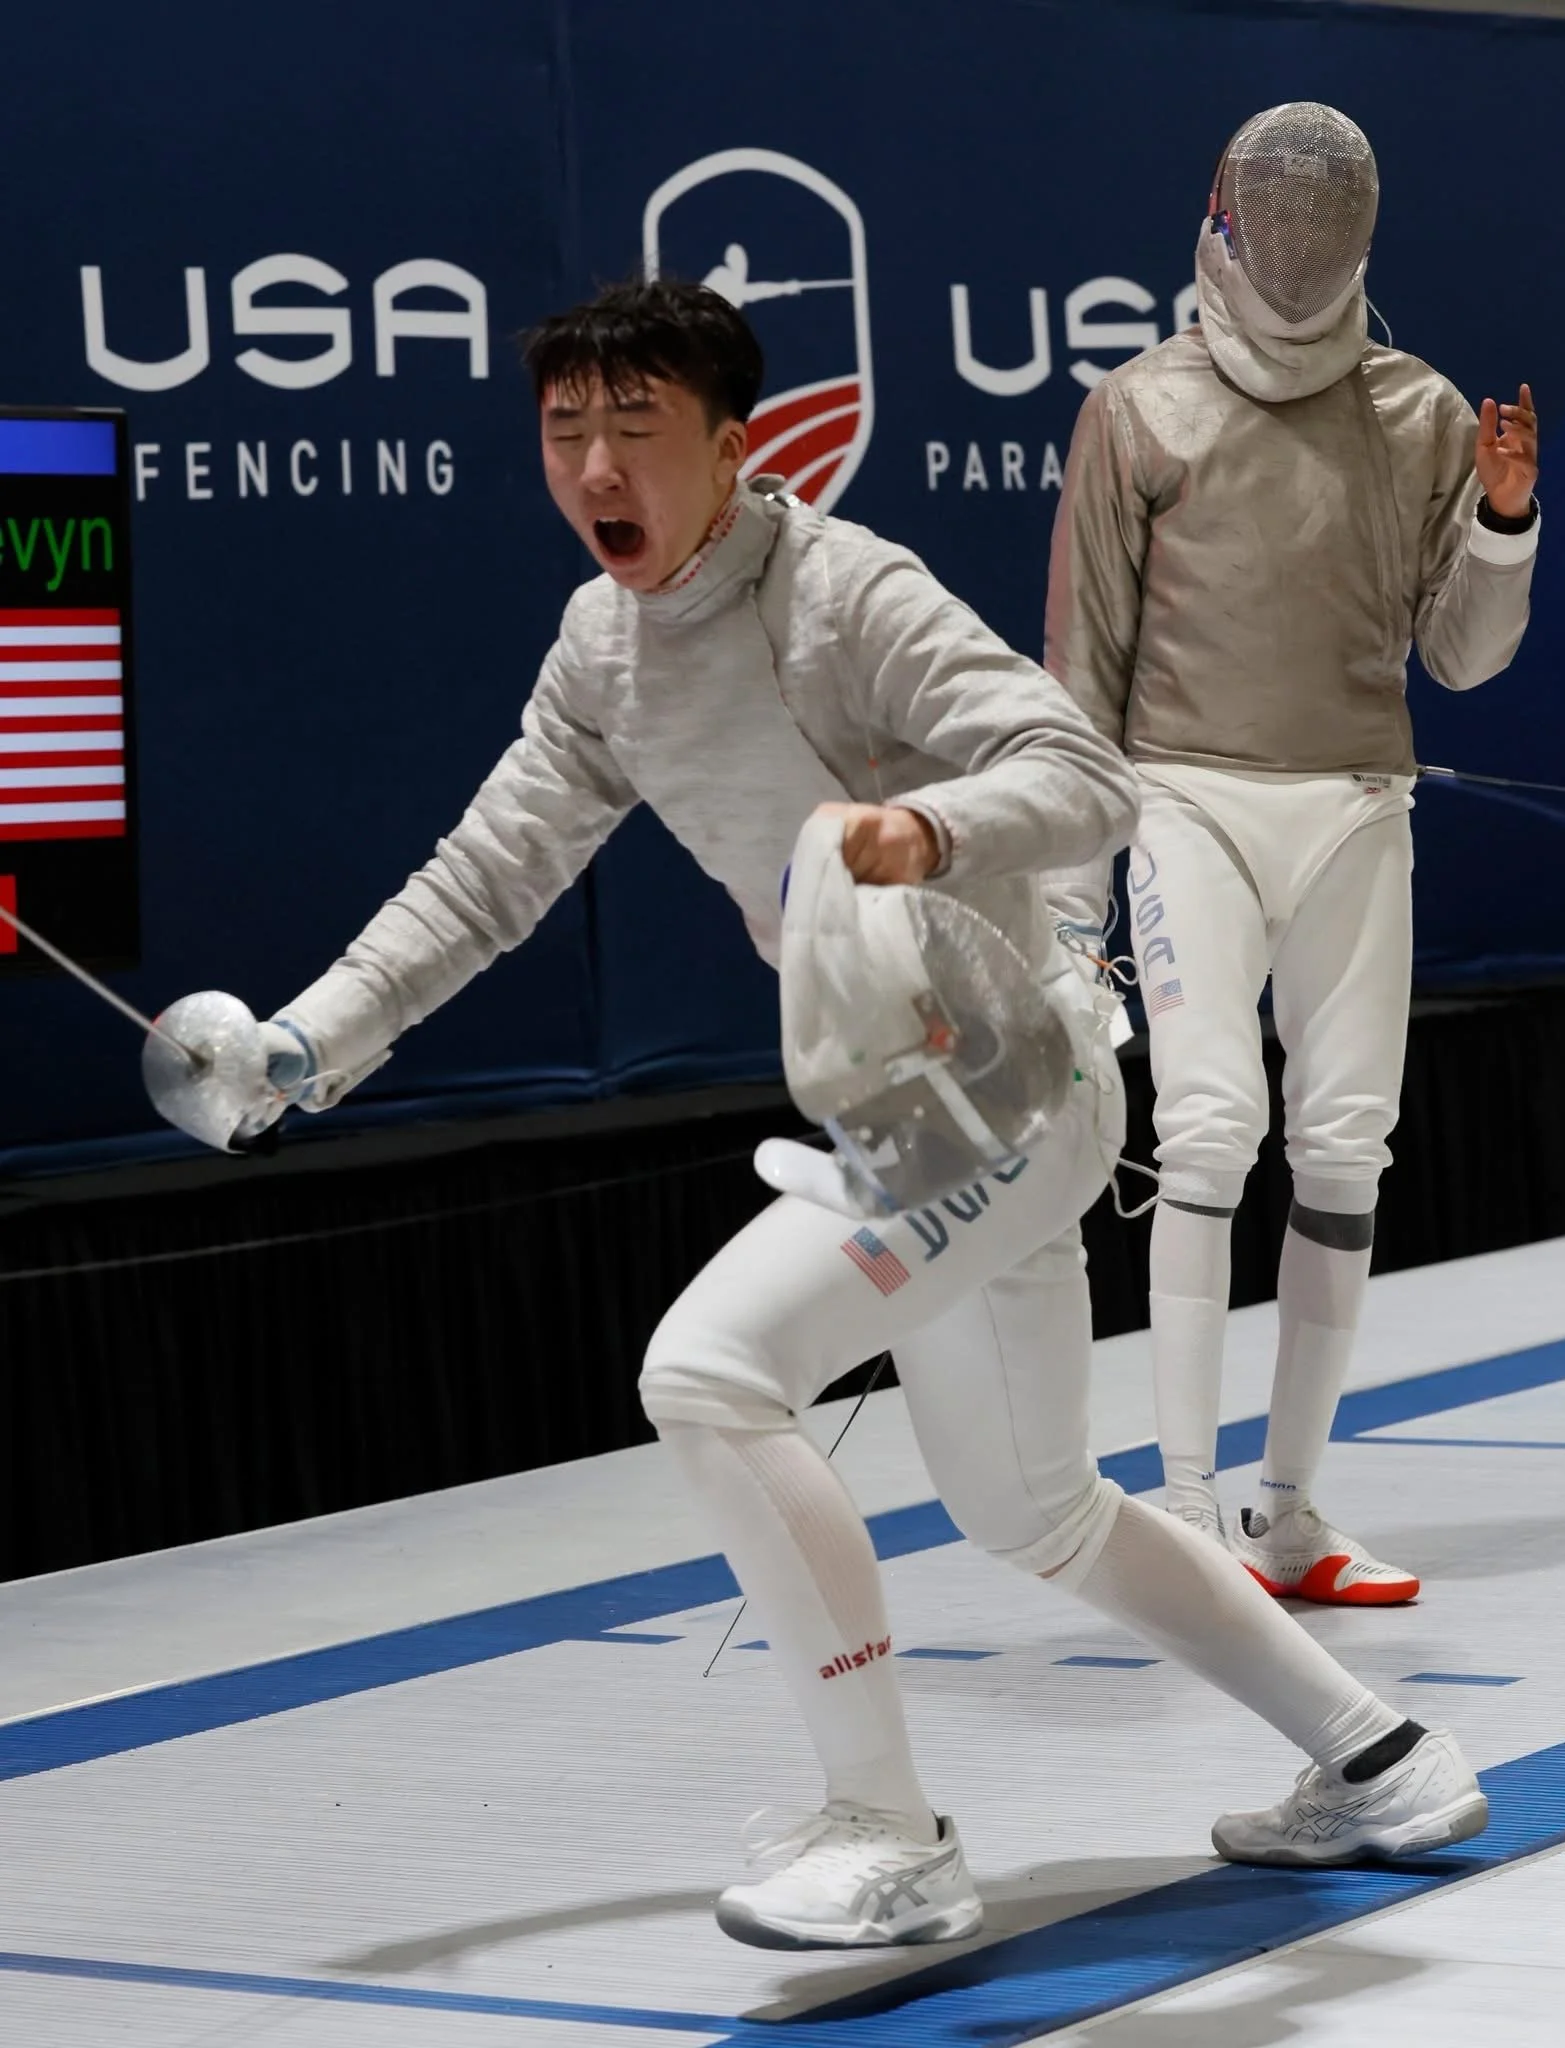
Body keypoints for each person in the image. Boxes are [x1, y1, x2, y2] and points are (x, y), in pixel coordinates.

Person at [153, 279, 1488, 1951]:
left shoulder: (844, 593)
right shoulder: (604, 648)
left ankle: (888, 1828)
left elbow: (1083, 772)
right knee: (1036, 1509)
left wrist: (916, 831)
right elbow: (491, 877)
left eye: (636, 428)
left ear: (734, 444)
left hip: (1007, 1078)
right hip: (905, 1103)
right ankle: (1380, 1758)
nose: (594, 467)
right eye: (566, 433)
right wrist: (305, 1045)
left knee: (709, 1375)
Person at [1045, 103, 1539, 1607]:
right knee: (1204, 1129)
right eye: (1281, 210)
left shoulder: (1424, 413)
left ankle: (1290, 1511)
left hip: (1355, 806)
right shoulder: (1140, 410)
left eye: (1325, 214)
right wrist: (1071, 916)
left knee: (1345, 1149)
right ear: (1227, 213)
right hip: (1184, 796)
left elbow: (1461, 655)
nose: (1300, 238)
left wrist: (1506, 521)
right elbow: (1081, 669)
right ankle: (1185, 1509)